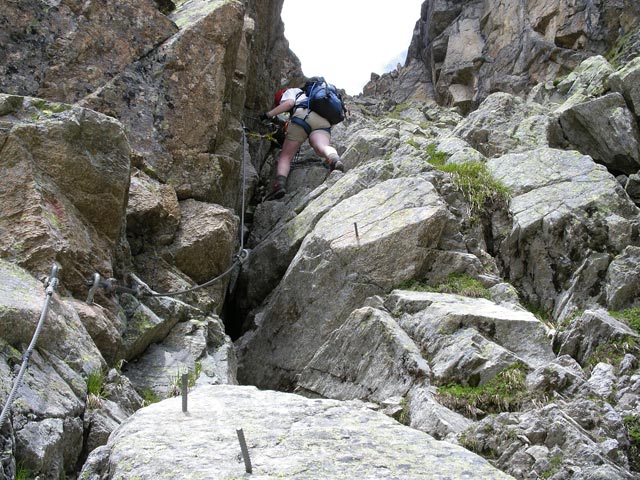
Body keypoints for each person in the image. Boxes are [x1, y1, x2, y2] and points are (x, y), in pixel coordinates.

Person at [260, 82, 344, 200]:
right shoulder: (317, 97)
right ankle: (334, 159)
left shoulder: (291, 91)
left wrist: (267, 115)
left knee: (286, 156)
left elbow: (289, 103)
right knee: (322, 146)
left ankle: (279, 185)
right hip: (323, 122)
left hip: (303, 115)